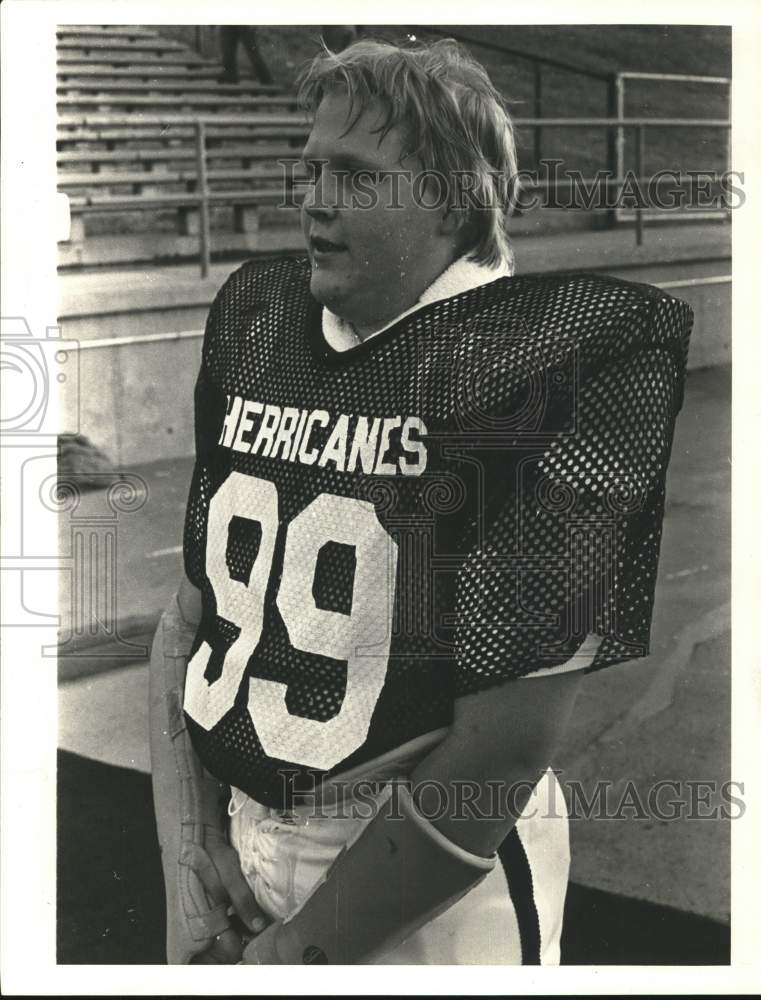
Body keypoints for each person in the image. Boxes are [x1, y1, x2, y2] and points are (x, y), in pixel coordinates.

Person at [150, 38, 693, 965]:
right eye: (312, 167)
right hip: (238, 833)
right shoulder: (258, 322)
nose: (313, 197)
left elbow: (498, 760)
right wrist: (188, 850)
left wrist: (300, 955)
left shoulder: (538, 371)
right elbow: (190, 620)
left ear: (449, 197)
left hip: (429, 890)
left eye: (355, 176)